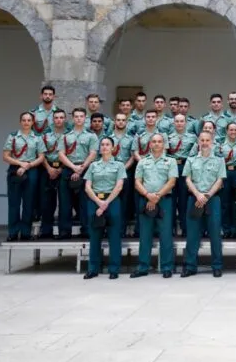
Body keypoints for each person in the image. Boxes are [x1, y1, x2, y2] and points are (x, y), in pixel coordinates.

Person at [131, 133, 178, 279]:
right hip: (145, 200)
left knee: (165, 235)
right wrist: (148, 195)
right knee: (145, 235)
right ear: (150, 144)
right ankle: (143, 266)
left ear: (163, 145)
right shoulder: (142, 162)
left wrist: (156, 196)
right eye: (154, 142)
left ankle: (167, 267)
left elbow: (172, 182)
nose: (157, 144)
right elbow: (137, 182)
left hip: (164, 200)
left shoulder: (171, 161)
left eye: (159, 142)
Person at [182, 130, 226, 278]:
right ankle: (190, 266)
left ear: (212, 142)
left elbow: (220, 180)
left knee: (215, 234)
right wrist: (198, 194)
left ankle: (217, 266)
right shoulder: (191, 159)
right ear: (198, 142)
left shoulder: (219, 161)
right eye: (202, 140)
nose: (205, 143)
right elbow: (187, 179)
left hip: (212, 199)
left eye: (207, 140)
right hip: (194, 198)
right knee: (193, 234)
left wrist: (207, 195)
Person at [83, 137, 125, 280]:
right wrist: (98, 202)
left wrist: (105, 202)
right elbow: (87, 187)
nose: (105, 147)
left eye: (108, 145)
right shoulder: (93, 166)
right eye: (102, 145)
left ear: (113, 148)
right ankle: (93, 268)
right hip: (95, 201)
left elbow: (119, 186)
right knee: (94, 236)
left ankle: (114, 269)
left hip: (112, 201)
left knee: (114, 236)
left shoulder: (119, 165)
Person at [2, 112, 45, 242]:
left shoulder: (38, 137)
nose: (26, 122)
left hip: (32, 169)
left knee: (29, 203)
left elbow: (41, 157)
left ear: (33, 122)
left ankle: (26, 232)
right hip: (15, 169)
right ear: (20, 122)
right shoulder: (13, 136)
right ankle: (13, 232)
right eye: (24, 120)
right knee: (14, 203)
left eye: (29, 120)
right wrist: (21, 163)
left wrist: (28, 165)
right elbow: (5, 156)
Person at [58, 108, 99, 239]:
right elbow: (61, 154)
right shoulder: (65, 136)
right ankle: (64, 231)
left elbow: (93, 153)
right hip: (68, 168)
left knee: (85, 202)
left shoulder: (91, 136)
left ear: (85, 118)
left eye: (81, 116)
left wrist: (81, 167)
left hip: (85, 168)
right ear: (73, 118)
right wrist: (73, 167)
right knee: (65, 202)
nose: (79, 118)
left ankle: (86, 230)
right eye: (76, 116)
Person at [39, 109, 68, 239]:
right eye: (56, 117)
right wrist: (49, 168)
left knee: (64, 202)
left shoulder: (70, 135)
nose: (59, 120)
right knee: (47, 203)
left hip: (63, 168)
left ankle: (64, 231)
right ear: (53, 119)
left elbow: (72, 154)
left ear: (65, 119)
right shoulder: (45, 135)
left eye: (61, 117)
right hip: (48, 168)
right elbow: (41, 153)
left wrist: (61, 168)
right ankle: (46, 231)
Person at [168, 114, 197, 237]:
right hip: (172, 167)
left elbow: (194, 154)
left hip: (186, 167)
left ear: (186, 123)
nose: (179, 123)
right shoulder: (168, 138)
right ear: (174, 123)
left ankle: (185, 228)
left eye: (182, 121)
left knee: (184, 200)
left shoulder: (193, 137)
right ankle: (171, 228)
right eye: (177, 121)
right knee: (171, 200)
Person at [218, 122, 236, 238]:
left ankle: (235, 229)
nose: (233, 132)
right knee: (224, 203)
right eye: (231, 130)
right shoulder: (221, 145)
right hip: (224, 173)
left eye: (235, 130)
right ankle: (226, 229)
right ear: (227, 131)